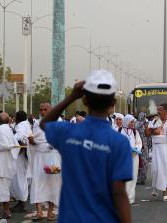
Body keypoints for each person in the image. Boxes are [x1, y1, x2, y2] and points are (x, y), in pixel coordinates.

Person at [39, 70, 132, 223]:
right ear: (113, 103)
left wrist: (72, 97)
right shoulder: (119, 142)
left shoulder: (67, 132)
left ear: (85, 101)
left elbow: (45, 123)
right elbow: (119, 193)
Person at [29, 103, 62, 221]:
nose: (43, 112)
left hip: (53, 156)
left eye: (45, 109)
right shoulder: (37, 123)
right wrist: (32, 140)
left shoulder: (58, 121)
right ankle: (39, 211)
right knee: (37, 182)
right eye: (41, 109)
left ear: (51, 110)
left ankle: (50, 212)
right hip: (39, 156)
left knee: (53, 183)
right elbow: (35, 139)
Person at [0, 112, 19, 219]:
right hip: (7, 162)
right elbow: (15, 145)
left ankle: (6, 210)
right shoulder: (8, 129)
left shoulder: (1, 129)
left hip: (2, 162)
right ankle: (6, 210)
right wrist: (12, 146)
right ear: (8, 121)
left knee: (2, 187)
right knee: (4, 187)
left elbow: (4, 145)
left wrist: (10, 146)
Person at [11, 110, 33, 212]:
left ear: (18, 117)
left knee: (20, 177)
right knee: (21, 177)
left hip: (21, 154)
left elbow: (19, 136)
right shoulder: (25, 124)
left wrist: (10, 138)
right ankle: (21, 201)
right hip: (23, 154)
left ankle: (22, 202)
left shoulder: (21, 125)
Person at [120, 114, 142, 204]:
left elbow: (139, 142)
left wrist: (137, 148)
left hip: (134, 156)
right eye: (131, 122)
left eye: (133, 122)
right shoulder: (119, 130)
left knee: (133, 176)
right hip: (123, 157)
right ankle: (122, 197)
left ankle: (130, 198)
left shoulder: (135, 132)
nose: (133, 124)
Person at [136, 112, 150, 185]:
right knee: (138, 162)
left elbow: (147, 134)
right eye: (142, 116)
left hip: (144, 145)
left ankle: (143, 178)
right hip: (137, 144)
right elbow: (135, 129)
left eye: (144, 116)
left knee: (145, 162)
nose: (143, 118)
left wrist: (146, 126)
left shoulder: (145, 124)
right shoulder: (136, 123)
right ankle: (138, 178)